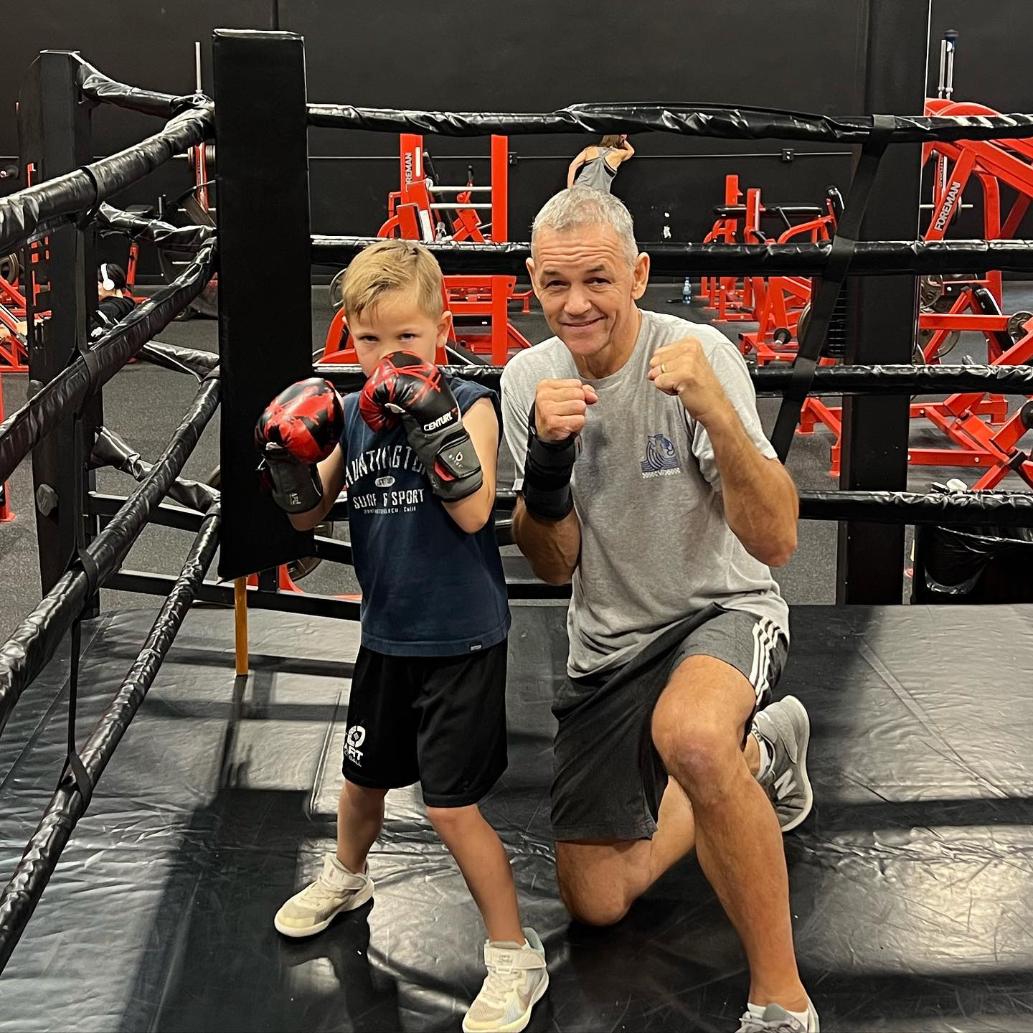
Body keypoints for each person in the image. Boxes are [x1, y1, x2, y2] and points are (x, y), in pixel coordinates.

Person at [499, 186, 818, 1033]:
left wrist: (714, 410)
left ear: (637, 275)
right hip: (609, 642)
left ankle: (780, 998)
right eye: (555, 283)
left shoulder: (697, 352)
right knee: (599, 900)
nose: (576, 304)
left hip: (721, 607)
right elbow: (553, 563)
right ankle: (762, 752)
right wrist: (546, 465)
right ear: (531, 280)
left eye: (597, 280)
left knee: (692, 735)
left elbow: (777, 539)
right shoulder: (528, 379)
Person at [258, 239, 548, 1033]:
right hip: (386, 634)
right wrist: (286, 460)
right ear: (349, 339)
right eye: (370, 339)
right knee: (361, 782)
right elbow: (308, 517)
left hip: (460, 641)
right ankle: (348, 876)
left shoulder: (471, 402)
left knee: (451, 809)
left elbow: (472, 511)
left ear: (442, 329)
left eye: (407, 337)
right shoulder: (351, 417)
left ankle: (513, 953)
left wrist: (430, 422)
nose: (389, 355)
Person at [0, 262, 136, 343]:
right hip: (62, 335)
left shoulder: (109, 309)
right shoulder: (124, 304)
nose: (93, 289)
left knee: (9, 331)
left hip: (58, 342)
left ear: (109, 285)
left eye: (97, 284)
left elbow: (74, 330)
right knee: (17, 327)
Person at [566, 134, 635, 192]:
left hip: (580, 191)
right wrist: (623, 139)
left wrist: (570, 189)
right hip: (600, 197)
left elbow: (572, 166)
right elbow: (631, 151)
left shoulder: (590, 150)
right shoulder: (619, 154)